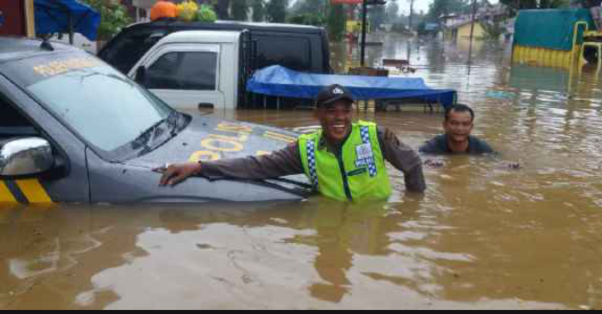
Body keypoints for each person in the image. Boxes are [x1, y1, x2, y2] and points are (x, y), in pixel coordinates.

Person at [159, 84, 426, 202]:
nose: (339, 118)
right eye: (331, 111)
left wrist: (411, 208)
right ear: (317, 114)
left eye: (345, 111)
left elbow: (412, 165)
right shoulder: (305, 149)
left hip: (377, 219)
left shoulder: (375, 135)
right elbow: (256, 166)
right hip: (332, 223)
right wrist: (199, 166)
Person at [419, 104, 494, 157]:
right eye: (454, 123)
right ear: (445, 125)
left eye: (465, 124)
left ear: (471, 127)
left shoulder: (481, 147)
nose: (460, 128)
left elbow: (496, 160)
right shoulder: (430, 148)